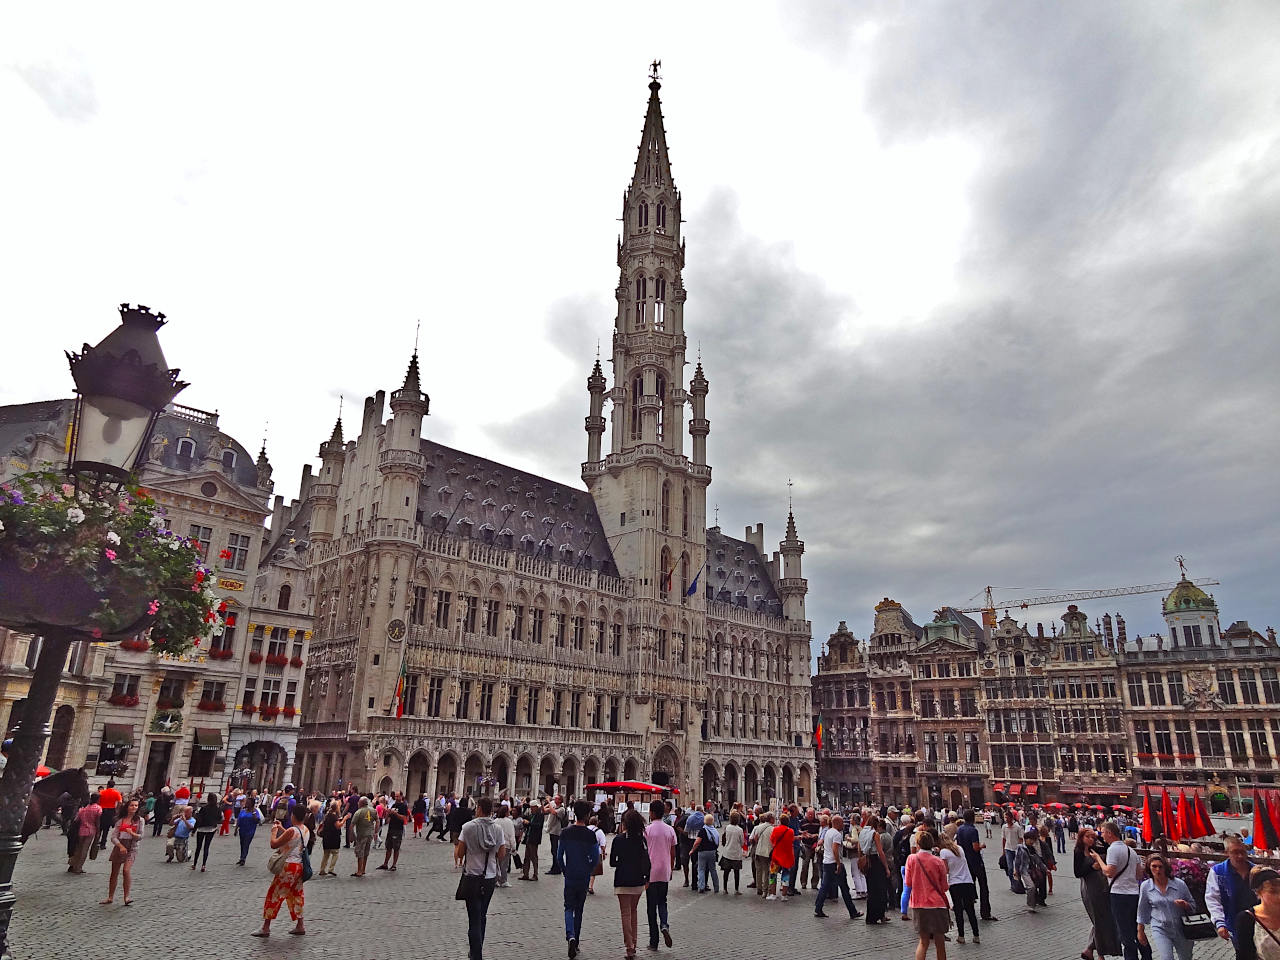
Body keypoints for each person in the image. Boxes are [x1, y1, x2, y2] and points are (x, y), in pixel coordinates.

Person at [457, 796, 505, 960]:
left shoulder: (468, 828)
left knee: (474, 918)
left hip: (472, 877)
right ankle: (477, 949)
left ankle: (476, 954)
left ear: (478, 808)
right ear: (491, 810)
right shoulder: (497, 829)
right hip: (489, 877)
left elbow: (460, 853)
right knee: (482, 915)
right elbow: (502, 854)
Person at [252, 804, 310, 938]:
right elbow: (293, 837)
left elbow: (274, 844)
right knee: (296, 895)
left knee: (274, 895)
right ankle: (300, 924)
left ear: (293, 815)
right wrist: (281, 828)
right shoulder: (305, 829)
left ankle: (266, 927)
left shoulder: (292, 830)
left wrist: (274, 831)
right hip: (299, 866)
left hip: (288, 866)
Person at [1098, 819, 1153, 960]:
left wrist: (1098, 859)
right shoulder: (1131, 851)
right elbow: (1139, 874)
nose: (1101, 835)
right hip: (1134, 893)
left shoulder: (1113, 849)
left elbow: (1109, 871)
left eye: (1103, 832)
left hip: (1119, 894)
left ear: (1110, 833)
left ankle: (1131, 957)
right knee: (1135, 928)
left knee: (1124, 931)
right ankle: (1147, 955)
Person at [556, 799, 601, 959]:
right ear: (588, 815)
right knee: (579, 909)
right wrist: (588, 868)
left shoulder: (566, 832)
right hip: (583, 875)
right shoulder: (590, 835)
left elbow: (559, 855)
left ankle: (570, 935)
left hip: (570, 875)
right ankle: (577, 940)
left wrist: (564, 869)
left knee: (568, 907)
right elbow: (596, 857)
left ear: (574, 813)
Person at [1137, 853, 1195, 960]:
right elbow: (1142, 909)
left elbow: (1193, 905)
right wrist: (1140, 931)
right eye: (1154, 866)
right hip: (1160, 927)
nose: (1157, 870)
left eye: (1160, 866)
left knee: (1186, 957)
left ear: (1165, 868)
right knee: (1166, 957)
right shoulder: (1146, 886)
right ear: (1149, 868)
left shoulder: (1179, 884)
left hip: (1181, 927)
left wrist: (1185, 904)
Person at [610, 808, 651, 960]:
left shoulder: (619, 840)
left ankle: (629, 947)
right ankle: (634, 942)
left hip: (622, 880)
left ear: (625, 824)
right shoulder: (642, 840)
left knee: (625, 913)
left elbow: (613, 862)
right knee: (633, 911)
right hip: (638, 880)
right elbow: (647, 860)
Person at [1077, 825, 1122, 960]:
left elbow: (1107, 847)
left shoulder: (1095, 849)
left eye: (1093, 837)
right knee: (1098, 918)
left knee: (1101, 917)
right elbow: (1077, 872)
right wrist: (1092, 867)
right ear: (1081, 838)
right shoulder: (1078, 852)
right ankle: (1098, 953)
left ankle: (1091, 949)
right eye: (1087, 836)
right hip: (1090, 887)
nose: (1091, 839)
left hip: (1101, 886)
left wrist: (1099, 837)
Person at [906, 831, 951, 960]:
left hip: (919, 904)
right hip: (937, 905)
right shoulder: (938, 862)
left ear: (918, 844)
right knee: (940, 942)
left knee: (923, 942)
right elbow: (944, 887)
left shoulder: (911, 859)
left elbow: (908, 883)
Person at [1208, 837, 1259, 946]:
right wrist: (1220, 922)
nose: (1240, 856)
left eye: (1242, 852)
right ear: (1227, 853)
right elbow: (1213, 899)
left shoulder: (1255, 870)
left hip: (1258, 921)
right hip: (1234, 921)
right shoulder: (1218, 872)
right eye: (1235, 852)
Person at [645, 799, 678, 950]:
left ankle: (654, 941)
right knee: (662, 901)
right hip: (664, 870)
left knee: (651, 907)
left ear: (651, 813)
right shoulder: (670, 829)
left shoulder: (647, 830)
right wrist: (670, 869)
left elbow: (644, 853)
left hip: (651, 872)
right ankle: (664, 924)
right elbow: (673, 853)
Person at [814, 814, 861, 919]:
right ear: (837, 823)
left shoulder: (828, 832)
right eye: (842, 823)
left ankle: (818, 908)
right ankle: (852, 912)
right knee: (844, 888)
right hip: (833, 863)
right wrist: (838, 863)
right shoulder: (837, 834)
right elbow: (835, 848)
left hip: (827, 862)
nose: (843, 825)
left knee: (825, 886)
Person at [957, 808, 998, 923]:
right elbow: (975, 847)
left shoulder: (959, 829)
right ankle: (985, 912)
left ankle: (969, 909)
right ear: (973, 818)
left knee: (969, 886)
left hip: (965, 862)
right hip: (976, 861)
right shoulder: (973, 830)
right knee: (983, 887)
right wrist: (982, 846)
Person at [99, 798, 143, 906]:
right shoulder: (120, 820)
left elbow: (140, 836)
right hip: (120, 845)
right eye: (132, 805)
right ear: (127, 807)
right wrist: (120, 846)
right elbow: (114, 837)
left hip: (132, 847)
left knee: (126, 870)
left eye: (136, 806)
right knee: (114, 872)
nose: (134, 807)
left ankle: (126, 897)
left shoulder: (140, 820)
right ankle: (110, 897)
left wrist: (132, 833)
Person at [939, 832, 979, 944]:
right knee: (970, 909)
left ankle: (961, 936)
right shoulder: (959, 848)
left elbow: (945, 870)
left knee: (958, 911)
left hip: (955, 883)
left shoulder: (943, 852)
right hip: (968, 881)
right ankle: (976, 935)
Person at [1232, 867, 1280, 960]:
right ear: (1259, 892)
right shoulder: (1246, 919)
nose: (1279, 896)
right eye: (1272, 892)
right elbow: (1244, 955)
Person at [861, 814, 892, 924]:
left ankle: (871, 916)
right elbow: (880, 852)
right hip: (875, 861)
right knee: (880, 890)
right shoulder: (875, 834)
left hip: (867, 860)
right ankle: (880, 914)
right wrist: (886, 867)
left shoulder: (862, 832)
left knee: (871, 890)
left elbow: (859, 849)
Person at [69, 792, 102, 874]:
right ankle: (79, 868)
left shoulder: (83, 809)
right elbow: (97, 822)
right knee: (84, 850)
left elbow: (76, 820)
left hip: (81, 830)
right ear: (98, 799)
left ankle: (73, 865)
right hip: (91, 831)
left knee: (78, 849)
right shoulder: (98, 808)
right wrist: (98, 833)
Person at [377, 790, 409, 871]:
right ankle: (385, 864)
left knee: (396, 848)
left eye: (398, 796)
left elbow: (404, 818)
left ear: (401, 796)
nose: (396, 798)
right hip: (391, 828)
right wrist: (388, 813)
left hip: (398, 829)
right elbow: (387, 819)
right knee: (388, 847)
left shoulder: (403, 806)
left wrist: (396, 814)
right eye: (395, 796)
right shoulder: (394, 804)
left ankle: (394, 865)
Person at [690, 813, 721, 893]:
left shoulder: (703, 830)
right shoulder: (715, 831)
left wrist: (692, 850)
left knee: (701, 869)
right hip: (712, 852)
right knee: (713, 870)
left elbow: (697, 842)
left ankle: (701, 887)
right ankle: (716, 887)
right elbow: (717, 842)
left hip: (702, 852)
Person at [718, 810, 746, 896]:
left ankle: (725, 888)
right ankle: (736, 889)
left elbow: (724, 838)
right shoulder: (740, 830)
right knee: (736, 872)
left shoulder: (727, 827)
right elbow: (742, 842)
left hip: (727, 852)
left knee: (726, 872)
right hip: (736, 853)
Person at [191, 792, 220, 872]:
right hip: (211, 829)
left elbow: (198, 820)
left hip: (202, 828)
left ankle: (194, 864)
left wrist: (194, 830)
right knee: (206, 847)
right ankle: (204, 865)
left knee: (198, 847)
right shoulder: (217, 809)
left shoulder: (204, 808)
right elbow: (220, 818)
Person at [768, 815, 795, 901]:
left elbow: (772, 840)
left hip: (776, 855)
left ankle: (773, 894)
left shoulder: (775, 829)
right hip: (787, 856)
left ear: (780, 821)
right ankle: (784, 895)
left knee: (773, 875)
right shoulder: (791, 831)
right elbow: (791, 841)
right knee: (786, 875)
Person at [349, 795, 377, 876]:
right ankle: (363, 869)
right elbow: (377, 820)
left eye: (359, 802)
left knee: (360, 852)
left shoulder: (358, 812)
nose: (357, 803)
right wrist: (376, 831)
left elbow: (352, 825)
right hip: (370, 834)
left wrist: (351, 836)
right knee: (366, 852)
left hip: (362, 835)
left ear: (361, 803)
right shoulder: (373, 810)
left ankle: (359, 871)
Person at [318, 800, 345, 876]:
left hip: (326, 837)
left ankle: (322, 869)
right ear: (336, 808)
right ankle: (331, 869)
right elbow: (338, 826)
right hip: (333, 837)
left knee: (326, 854)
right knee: (335, 853)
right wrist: (345, 819)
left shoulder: (327, 815)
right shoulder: (334, 816)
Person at [236, 795, 265, 865]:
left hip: (250, 830)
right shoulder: (243, 811)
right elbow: (239, 820)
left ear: (251, 804)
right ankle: (241, 857)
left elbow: (257, 821)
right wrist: (236, 829)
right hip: (242, 830)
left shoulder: (255, 811)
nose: (246, 804)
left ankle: (243, 858)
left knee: (246, 844)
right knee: (242, 844)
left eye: (248, 803)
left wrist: (254, 813)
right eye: (246, 802)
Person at [520, 801, 545, 880]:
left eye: (532, 807)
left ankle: (535, 874)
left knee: (534, 856)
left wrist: (529, 823)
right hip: (529, 837)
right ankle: (525, 874)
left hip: (534, 838)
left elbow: (538, 826)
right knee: (526, 856)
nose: (531, 809)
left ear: (535, 807)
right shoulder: (531, 815)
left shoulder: (540, 815)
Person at [1000, 808, 1023, 888]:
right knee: (1010, 868)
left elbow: (1020, 838)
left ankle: (1019, 883)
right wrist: (1003, 850)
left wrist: (1020, 848)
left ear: (1011, 818)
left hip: (1016, 849)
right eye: (1005, 818)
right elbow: (1004, 839)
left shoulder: (1017, 827)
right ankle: (1012, 883)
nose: (1006, 819)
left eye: (1007, 817)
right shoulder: (1004, 827)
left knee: (1017, 868)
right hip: (1008, 849)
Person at [97, 779, 122, 850]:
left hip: (102, 810)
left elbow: (98, 801)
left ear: (107, 785)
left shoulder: (102, 792)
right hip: (111, 811)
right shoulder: (116, 793)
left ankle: (96, 842)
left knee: (99, 827)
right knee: (106, 828)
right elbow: (120, 802)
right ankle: (103, 843)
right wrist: (117, 809)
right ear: (113, 785)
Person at [547, 798, 567, 875]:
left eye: (557, 798)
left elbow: (554, 812)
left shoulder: (561, 809)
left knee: (555, 850)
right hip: (552, 830)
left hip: (556, 831)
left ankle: (557, 868)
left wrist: (549, 802)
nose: (555, 799)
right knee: (553, 850)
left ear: (560, 800)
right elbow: (545, 810)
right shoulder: (555, 806)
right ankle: (554, 866)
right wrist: (543, 803)